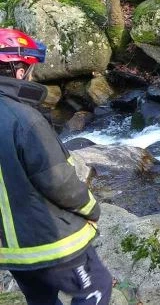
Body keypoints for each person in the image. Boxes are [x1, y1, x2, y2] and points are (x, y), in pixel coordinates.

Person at [0, 28, 113, 304]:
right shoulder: (25, 119)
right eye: (28, 67)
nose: (32, 74)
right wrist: (91, 209)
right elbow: (58, 180)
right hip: (49, 240)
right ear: (17, 70)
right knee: (96, 289)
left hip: (11, 251)